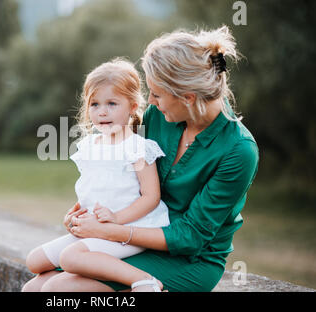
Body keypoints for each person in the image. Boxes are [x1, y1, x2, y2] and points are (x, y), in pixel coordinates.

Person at [22, 25, 259, 292]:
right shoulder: (161, 115)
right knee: (35, 287)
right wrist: (83, 213)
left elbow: (191, 237)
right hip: (132, 232)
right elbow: (121, 171)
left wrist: (111, 231)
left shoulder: (239, 150)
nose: (151, 102)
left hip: (188, 258)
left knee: (61, 289)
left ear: (188, 97)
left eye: (156, 94)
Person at [24, 59, 170, 292]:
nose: (102, 112)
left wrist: (116, 219)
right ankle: (84, 270)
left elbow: (151, 197)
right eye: (95, 104)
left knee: (70, 257)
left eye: (112, 103)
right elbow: (95, 187)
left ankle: (144, 280)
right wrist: (75, 216)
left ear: (132, 106)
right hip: (95, 227)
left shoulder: (137, 147)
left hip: (129, 229)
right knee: (34, 261)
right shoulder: (89, 145)